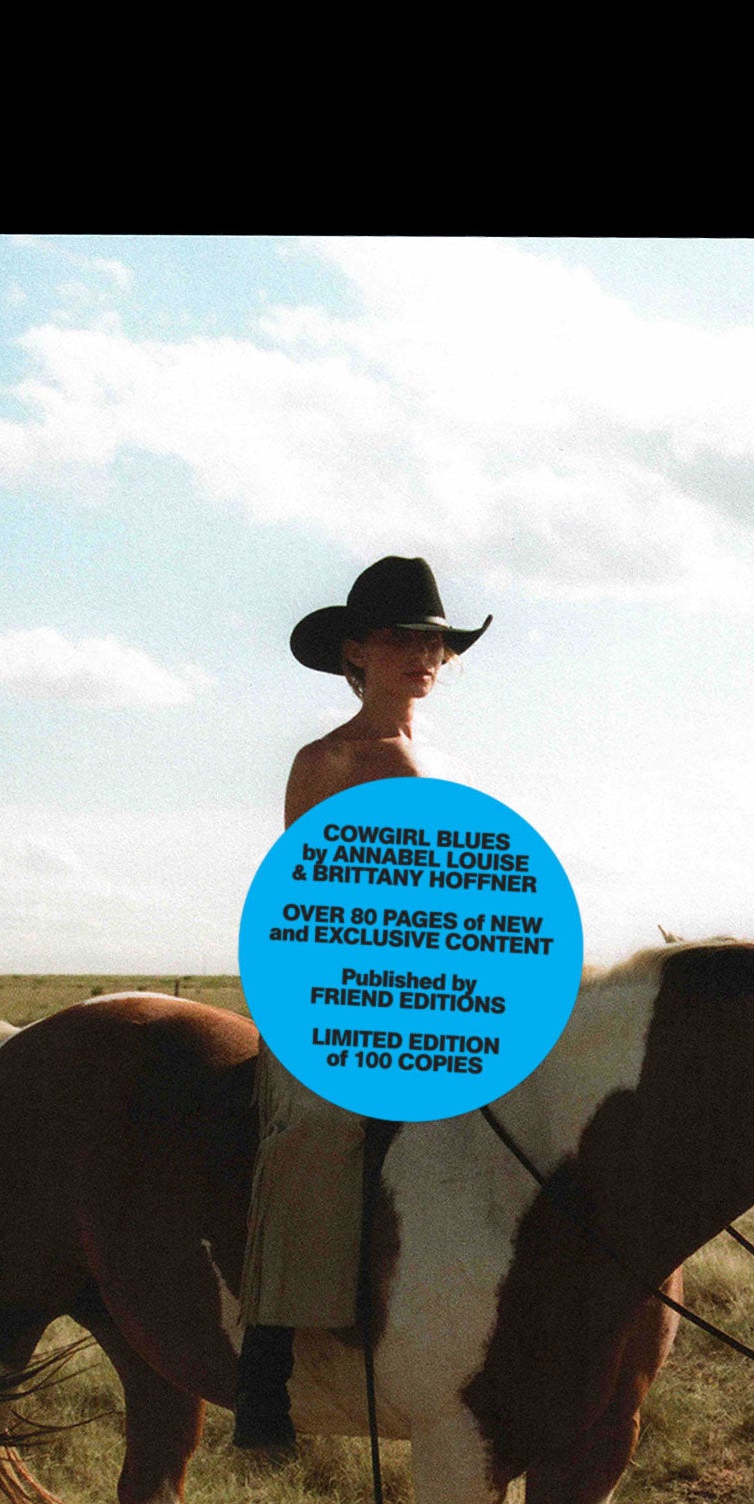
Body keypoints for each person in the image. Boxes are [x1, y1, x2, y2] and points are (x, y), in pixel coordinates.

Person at [234, 557, 492, 1450]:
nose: (424, 654)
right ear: (356, 651)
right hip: (340, 999)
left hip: (445, 996)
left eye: (434, 641)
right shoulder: (327, 760)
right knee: (319, 1126)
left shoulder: (445, 766)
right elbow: (310, 900)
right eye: (401, 639)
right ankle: (266, 1362)